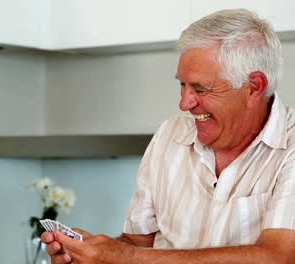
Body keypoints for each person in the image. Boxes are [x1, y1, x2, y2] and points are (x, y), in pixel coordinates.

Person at [42, 8, 295, 264]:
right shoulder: (169, 134)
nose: (184, 103)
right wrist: (92, 255)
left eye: (199, 88)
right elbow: (137, 243)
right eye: (182, 85)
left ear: (254, 87)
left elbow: (277, 256)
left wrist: (126, 257)